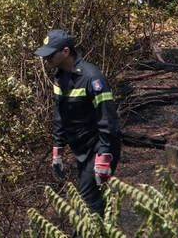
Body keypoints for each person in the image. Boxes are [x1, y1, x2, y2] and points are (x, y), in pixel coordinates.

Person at [34, 29, 121, 216]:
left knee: (88, 204)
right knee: (94, 201)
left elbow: (108, 119)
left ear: (65, 51)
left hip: (99, 147)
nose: (47, 59)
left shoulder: (92, 78)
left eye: (51, 54)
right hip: (80, 148)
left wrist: (104, 155)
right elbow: (60, 114)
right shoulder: (60, 77)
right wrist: (58, 147)